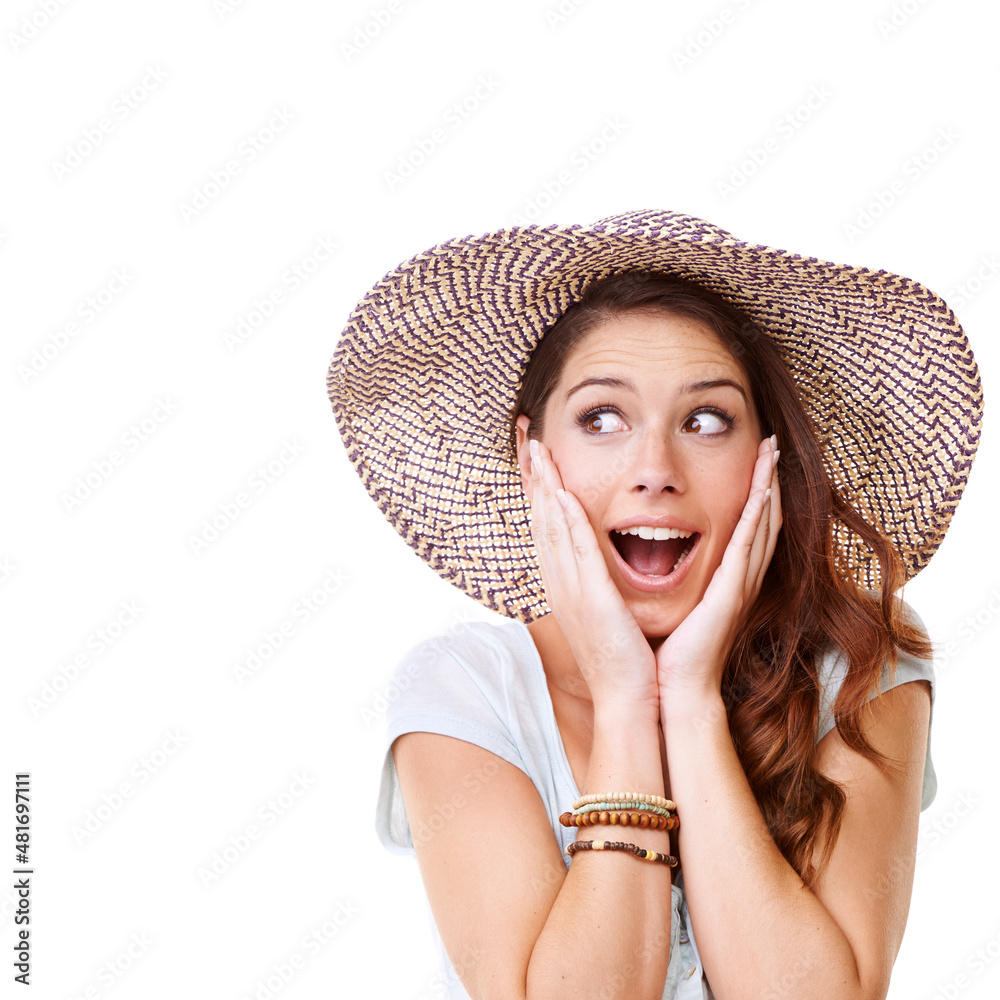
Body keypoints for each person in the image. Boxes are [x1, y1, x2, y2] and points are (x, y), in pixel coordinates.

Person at [327, 209, 983, 999]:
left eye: (706, 420)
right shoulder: (466, 687)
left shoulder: (863, 661)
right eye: (601, 418)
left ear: (765, 465)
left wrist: (691, 697)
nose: (654, 468)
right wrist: (625, 698)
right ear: (532, 459)